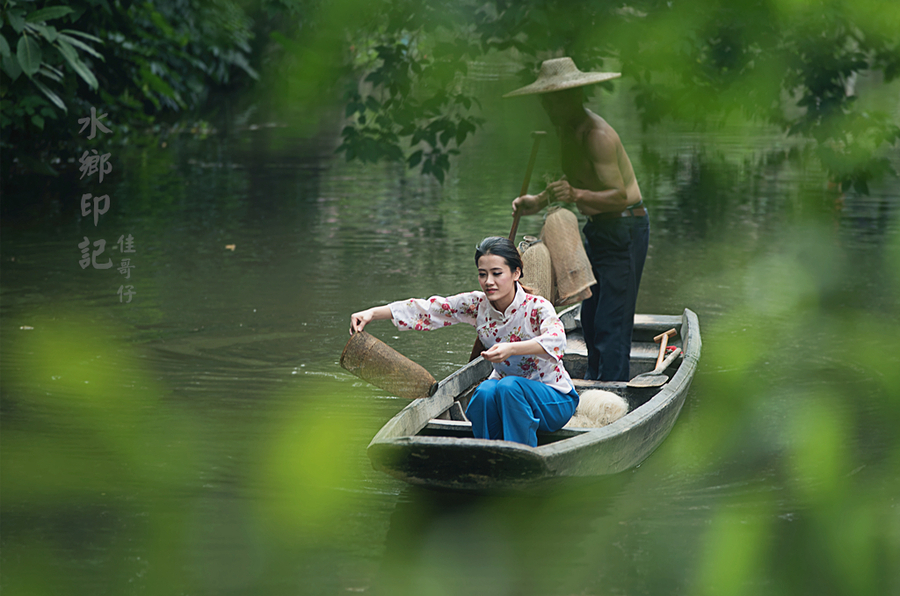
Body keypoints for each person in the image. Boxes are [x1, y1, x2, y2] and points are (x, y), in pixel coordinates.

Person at [350, 236, 579, 448]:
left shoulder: (537, 307)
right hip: (503, 395)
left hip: (553, 399)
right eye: (482, 274)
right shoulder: (478, 305)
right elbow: (430, 309)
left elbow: (557, 341)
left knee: (509, 387)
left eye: (497, 273)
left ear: (516, 273)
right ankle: (489, 454)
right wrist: (372, 313)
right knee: (485, 391)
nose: (488, 282)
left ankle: (521, 456)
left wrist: (510, 349)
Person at [507, 57, 649, 382]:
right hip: (598, 229)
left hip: (625, 227)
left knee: (612, 321)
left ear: (575, 97)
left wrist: (576, 196)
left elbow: (620, 195)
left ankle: (613, 392)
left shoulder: (597, 135)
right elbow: (573, 183)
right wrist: (537, 201)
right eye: (546, 99)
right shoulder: (566, 132)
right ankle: (594, 381)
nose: (549, 106)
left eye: (557, 99)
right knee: (590, 314)